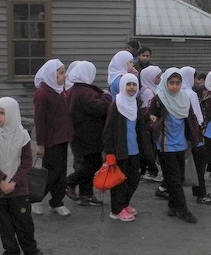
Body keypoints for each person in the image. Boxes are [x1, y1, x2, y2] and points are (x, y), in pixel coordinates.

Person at [0, 97, 49, 255]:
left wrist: (14, 182)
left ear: (11, 114)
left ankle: (31, 251)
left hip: (18, 189)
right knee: (5, 225)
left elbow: (26, 161)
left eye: (2, 113)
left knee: (24, 222)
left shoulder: (22, 134)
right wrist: (1, 182)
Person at [147, 68, 201, 223]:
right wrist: (153, 121)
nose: (174, 86)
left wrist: (195, 138)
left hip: (181, 144)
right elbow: (148, 116)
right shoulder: (160, 98)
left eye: (178, 83)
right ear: (166, 83)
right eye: (171, 83)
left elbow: (191, 118)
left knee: (178, 177)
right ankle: (183, 210)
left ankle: (172, 205)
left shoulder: (184, 97)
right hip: (165, 146)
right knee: (175, 179)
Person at [103, 73, 153, 221]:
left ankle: (124, 203)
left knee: (133, 178)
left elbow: (138, 126)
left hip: (135, 150)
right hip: (121, 151)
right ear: (122, 86)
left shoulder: (135, 103)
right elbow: (108, 130)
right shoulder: (116, 105)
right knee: (119, 181)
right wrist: (110, 152)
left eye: (134, 84)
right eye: (128, 84)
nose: (131, 87)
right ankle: (116, 211)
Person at [64, 61, 110, 206]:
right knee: (93, 162)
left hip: (78, 133)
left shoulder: (73, 89)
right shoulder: (85, 91)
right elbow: (99, 108)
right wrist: (107, 97)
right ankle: (69, 182)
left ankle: (86, 194)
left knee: (86, 163)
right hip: (88, 134)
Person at [32, 59, 73, 217]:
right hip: (50, 140)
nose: (64, 76)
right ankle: (35, 199)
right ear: (51, 74)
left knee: (61, 172)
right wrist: (40, 143)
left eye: (64, 72)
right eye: (61, 73)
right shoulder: (42, 94)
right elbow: (39, 121)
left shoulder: (59, 91)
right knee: (51, 173)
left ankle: (57, 202)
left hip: (62, 138)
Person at [179, 66, 210, 204]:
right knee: (199, 165)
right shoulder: (190, 94)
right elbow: (197, 118)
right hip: (194, 135)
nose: (196, 81)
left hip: (182, 135)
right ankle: (201, 194)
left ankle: (165, 188)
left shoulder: (178, 93)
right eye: (194, 78)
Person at [137, 65, 162, 181]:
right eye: (157, 77)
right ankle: (149, 170)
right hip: (148, 125)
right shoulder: (148, 92)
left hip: (149, 124)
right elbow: (146, 110)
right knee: (149, 148)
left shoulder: (151, 89)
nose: (160, 79)